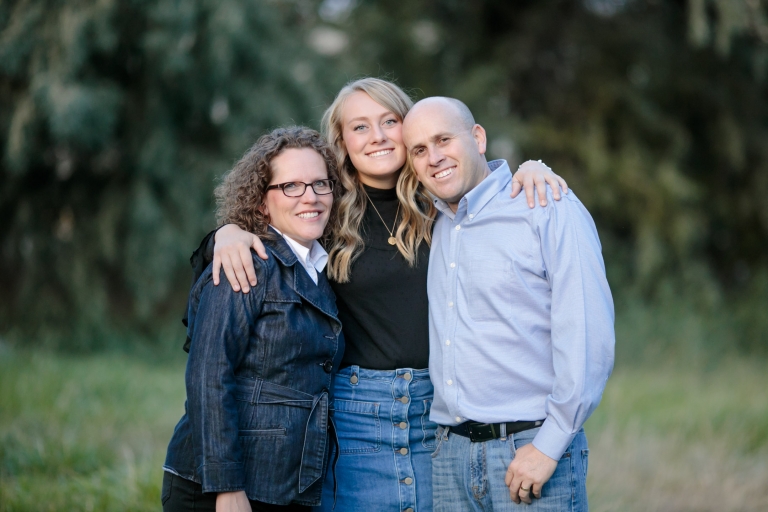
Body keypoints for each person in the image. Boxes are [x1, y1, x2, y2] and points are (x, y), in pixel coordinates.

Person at [188, 78, 568, 512]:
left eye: (390, 121)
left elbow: (486, 184)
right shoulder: (325, 210)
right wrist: (226, 233)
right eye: (360, 127)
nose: (379, 136)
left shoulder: (442, 203)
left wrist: (529, 168)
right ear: (341, 141)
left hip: (438, 415)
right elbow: (260, 244)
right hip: (353, 418)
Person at [400, 96, 615, 512]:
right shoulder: (431, 221)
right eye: (419, 150)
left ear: (477, 137)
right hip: (450, 458)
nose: (434, 157)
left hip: (528, 448)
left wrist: (549, 446)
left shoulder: (546, 206)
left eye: (444, 139)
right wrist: (232, 231)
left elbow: (588, 334)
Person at [162, 126, 344, 512]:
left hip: (283, 485)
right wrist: (226, 487)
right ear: (262, 203)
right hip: (222, 487)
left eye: (320, 184)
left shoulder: (319, 268)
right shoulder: (247, 263)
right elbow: (209, 374)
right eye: (291, 186)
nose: (310, 197)